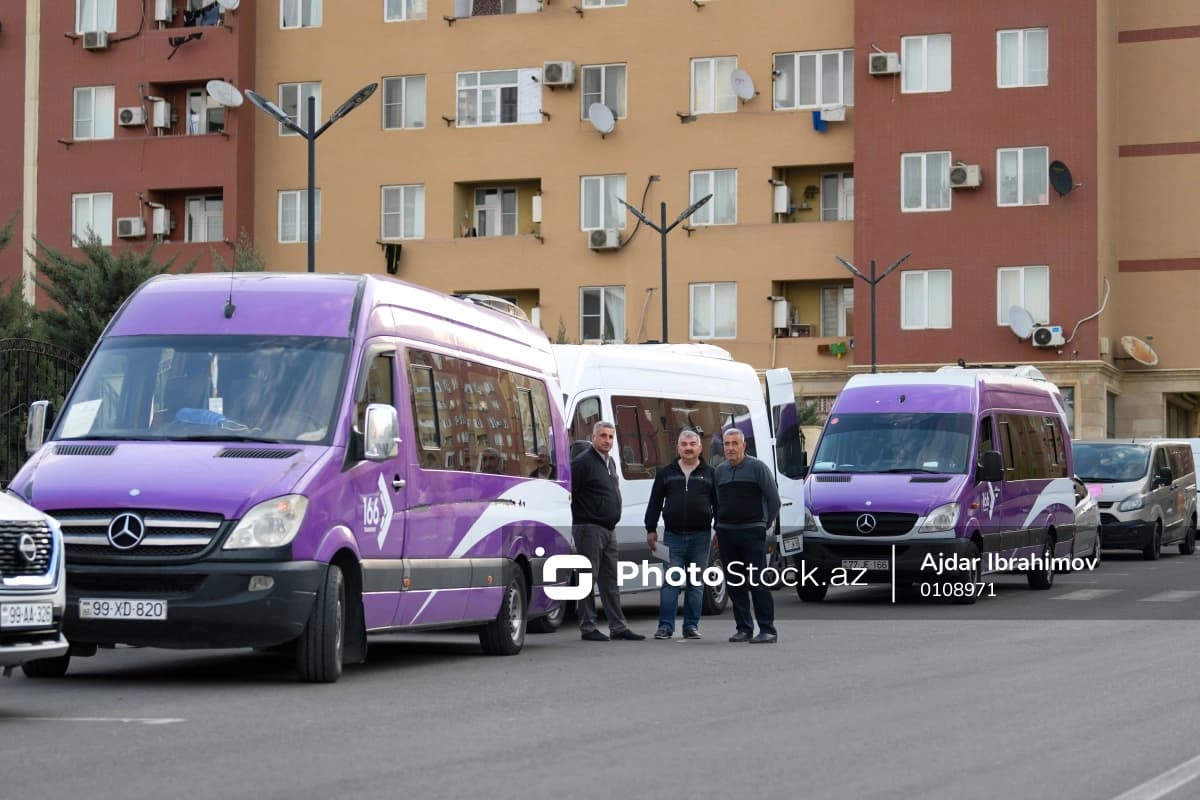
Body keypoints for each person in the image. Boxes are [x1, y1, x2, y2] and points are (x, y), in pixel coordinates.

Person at [570, 420, 644, 641]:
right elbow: (570, 493)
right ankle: (588, 626)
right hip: (588, 528)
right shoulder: (583, 462)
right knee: (586, 577)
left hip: (609, 529)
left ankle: (618, 626)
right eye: (603, 436)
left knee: (610, 579)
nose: (607, 440)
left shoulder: (609, 462)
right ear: (593, 437)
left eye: (611, 437)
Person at [645, 429, 718, 640]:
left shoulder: (710, 473)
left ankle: (691, 627)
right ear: (677, 448)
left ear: (699, 448)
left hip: (701, 537)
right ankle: (665, 627)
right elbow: (655, 503)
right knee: (671, 582)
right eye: (684, 444)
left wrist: (719, 529)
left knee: (696, 584)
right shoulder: (666, 473)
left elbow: (718, 504)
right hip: (672, 537)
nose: (688, 448)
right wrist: (650, 528)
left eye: (692, 444)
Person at [714, 428, 781, 644]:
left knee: (757, 582)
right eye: (727, 444)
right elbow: (717, 502)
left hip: (752, 532)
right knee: (734, 582)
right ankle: (743, 628)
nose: (731, 448)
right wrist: (718, 526)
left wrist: (764, 525)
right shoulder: (720, 471)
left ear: (744, 446)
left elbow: (774, 500)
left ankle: (767, 629)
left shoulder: (757, 467)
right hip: (726, 533)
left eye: (735, 443)